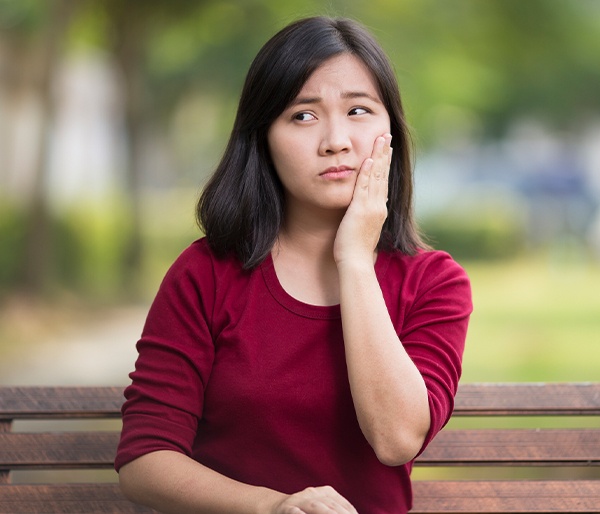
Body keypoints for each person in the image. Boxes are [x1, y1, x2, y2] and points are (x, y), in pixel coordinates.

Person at [115, 15, 472, 514]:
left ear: (390, 129)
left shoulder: (434, 282)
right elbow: (144, 461)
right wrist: (272, 507)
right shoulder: (206, 273)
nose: (336, 140)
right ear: (263, 137)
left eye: (359, 110)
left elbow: (395, 439)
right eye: (303, 115)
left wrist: (353, 261)